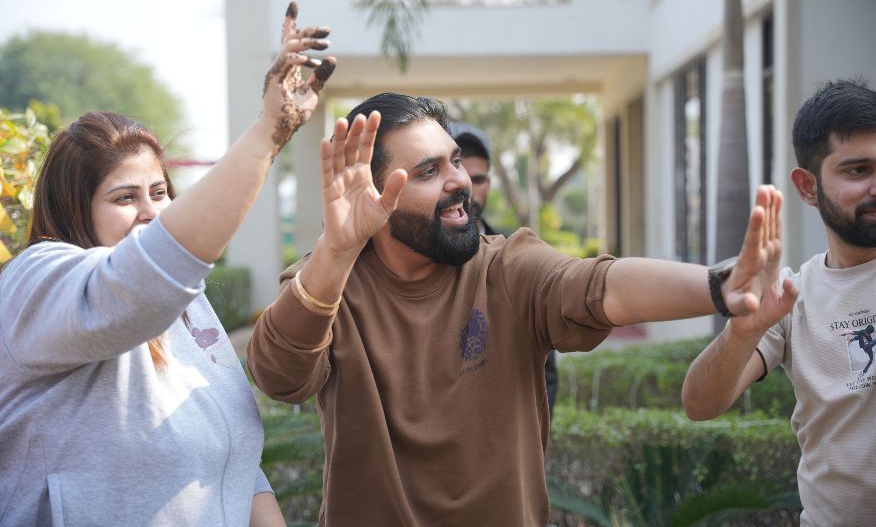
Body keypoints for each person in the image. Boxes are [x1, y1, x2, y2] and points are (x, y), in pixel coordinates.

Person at [247, 92, 788, 526]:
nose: (460, 181)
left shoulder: (505, 267)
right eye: (429, 171)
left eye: (456, 161)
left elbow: (602, 286)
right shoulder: (328, 282)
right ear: (372, 193)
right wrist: (336, 251)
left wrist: (717, 286)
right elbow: (278, 376)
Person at [0, 1, 334, 526]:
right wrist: (268, 131)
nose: (152, 212)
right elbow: (147, 277)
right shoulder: (35, 282)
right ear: (74, 209)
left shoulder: (187, 306)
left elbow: (233, 461)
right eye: (124, 197)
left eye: (159, 192)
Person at [681, 79, 876, 527]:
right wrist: (744, 328)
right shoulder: (790, 298)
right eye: (857, 170)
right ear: (808, 186)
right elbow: (699, 404)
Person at [450, 121, 560, 417]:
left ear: (489, 183)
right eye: (458, 172)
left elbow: (546, 371)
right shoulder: (412, 261)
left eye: (478, 178)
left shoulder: (516, 257)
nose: (468, 188)